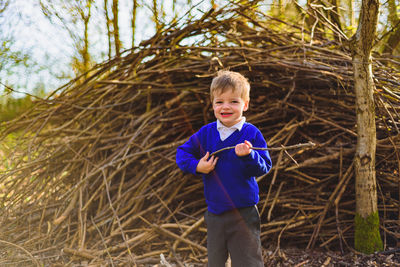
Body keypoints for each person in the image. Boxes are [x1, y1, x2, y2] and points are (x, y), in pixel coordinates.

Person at [176, 70, 272, 267]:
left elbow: (265, 166)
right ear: (213, 105)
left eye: (234, 101)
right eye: (220, 102)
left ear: (245, 104)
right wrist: (197, 166)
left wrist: (249, 156)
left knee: (248, 261)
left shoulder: (251, 133)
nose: (226, 107)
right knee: (216, 261)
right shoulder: (206, 133)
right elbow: (182, 153)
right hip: (215, 213)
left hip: (244, 212)